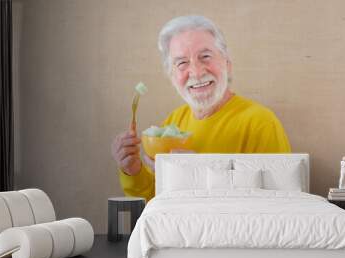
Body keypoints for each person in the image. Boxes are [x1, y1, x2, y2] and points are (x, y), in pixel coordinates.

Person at [111, 15, 291, 202]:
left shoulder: (260, 122)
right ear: (172, 76)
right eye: (182, 63)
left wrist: (199, 172)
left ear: (227, 64)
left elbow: (277, 205)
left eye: (205, 57)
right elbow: (156, 204)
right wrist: (133, 171)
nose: (196, 72)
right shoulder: (174, 122)